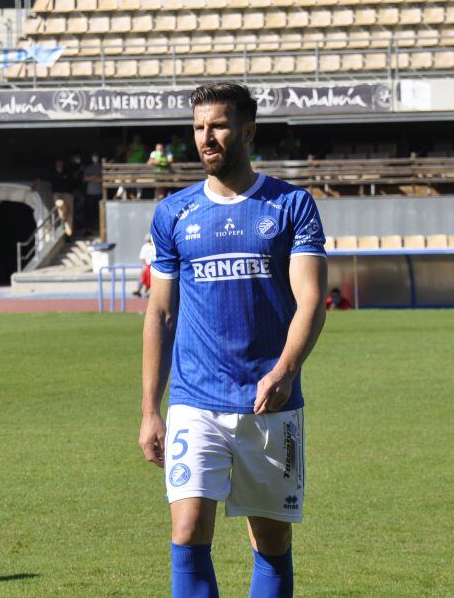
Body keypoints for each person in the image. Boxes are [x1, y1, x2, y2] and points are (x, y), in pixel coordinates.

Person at [139, 82, 328, 598]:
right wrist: (150, 410)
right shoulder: (173, 214)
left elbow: (311, 300)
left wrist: (285, 370)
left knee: (269, 540)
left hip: (270, 403)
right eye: (199, 128)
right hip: (195, 400)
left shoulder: (292, 205)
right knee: (187, 531)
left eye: (218, 126)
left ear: (248, 131)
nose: (207, 138)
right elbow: (159, 312)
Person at [83, 152, 103, 235]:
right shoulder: (88, 167)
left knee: (99, 211)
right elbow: (85, 178)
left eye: (96, 156)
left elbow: (102, 179)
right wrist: (96, 177)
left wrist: (91, 177)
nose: (95, 158)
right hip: (90, 192)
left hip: (99, 192)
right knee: (90, 211)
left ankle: (100, 228)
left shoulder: (101, 167)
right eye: (94, 156)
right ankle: (89, 229)